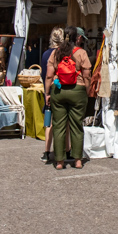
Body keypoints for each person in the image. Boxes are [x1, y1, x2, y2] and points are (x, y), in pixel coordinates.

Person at [44, 26, 92, 170]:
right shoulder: (81, 53)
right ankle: (77, 160)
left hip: (58, 91)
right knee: (77, 125)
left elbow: (48, 75)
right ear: (77, 37)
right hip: (77, 91)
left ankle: (59, 161)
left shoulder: (55, 53)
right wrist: (87, 91)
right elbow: (87, 74)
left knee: (58, 125)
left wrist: (47, 93)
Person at [39, 27, 64, 163]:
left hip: (49, 90)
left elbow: (44, 75)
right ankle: (65, 151)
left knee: (49, 122)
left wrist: (46, 92)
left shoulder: (45, 54)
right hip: (61, 89)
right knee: (63, 122)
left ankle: (47, 151)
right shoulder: (64, 54)